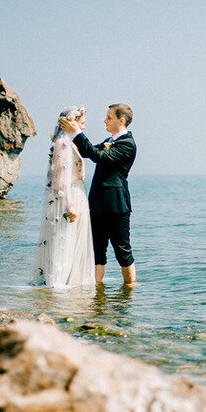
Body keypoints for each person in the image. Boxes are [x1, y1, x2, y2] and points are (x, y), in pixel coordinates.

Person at [60, 104, 137, 286]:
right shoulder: (109, 141)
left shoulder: (127, 144)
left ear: (121, 120)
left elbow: (98, 156)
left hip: (116, 206)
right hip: (97, 204)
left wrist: (77, 132)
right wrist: (66, 139)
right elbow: (87, 152)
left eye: (109, 117)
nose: (105, 121)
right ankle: (98, 294)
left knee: (123, 251)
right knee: (97, 251)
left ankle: (130, 291)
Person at [33, 106, 95, 288]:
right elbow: (60, 179)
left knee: (75, 240)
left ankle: (74, 281)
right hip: (71, 195)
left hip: (78, 192)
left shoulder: (70, 142)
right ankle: (62, 281)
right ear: (71, 122)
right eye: (81, 123)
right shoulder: (63, 143)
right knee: (66, 237)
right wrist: (70, 204)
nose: (83, 127)